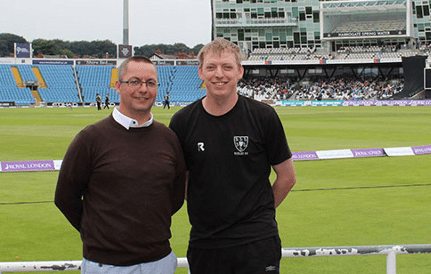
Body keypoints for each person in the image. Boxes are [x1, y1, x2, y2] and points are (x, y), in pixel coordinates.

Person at [169, 38, 296, 274]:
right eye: (211, 67)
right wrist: (211, 212)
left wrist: (258, 214)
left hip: (257, 242)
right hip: (206, 243)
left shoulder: (264, 116)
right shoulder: (182, 122)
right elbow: (181, 182)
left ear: (240, 72)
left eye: (227, 67)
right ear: (200, 72)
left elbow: (287, 177)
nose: (219, 74)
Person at [55, 56, 186, 274]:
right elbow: (64, 198)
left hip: (160, 261)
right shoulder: (90, 138)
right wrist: (99, 233)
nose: (143, 89)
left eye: (150, 83)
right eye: (134, 81)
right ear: (118, 85)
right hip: (106, 265)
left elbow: (175, 196)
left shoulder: (169, 138)